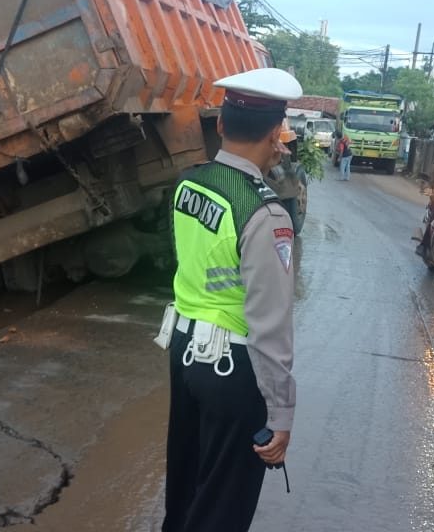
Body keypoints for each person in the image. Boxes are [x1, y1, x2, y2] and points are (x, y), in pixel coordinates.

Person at [162, 67, 300, 532]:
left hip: (184, 353)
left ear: (220, 125)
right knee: (222, 507)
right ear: (277, 135)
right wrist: (281, 414)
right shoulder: (265, 213)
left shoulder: (190, 183)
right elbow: (270, 323)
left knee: (184, 489)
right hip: (232, 369)